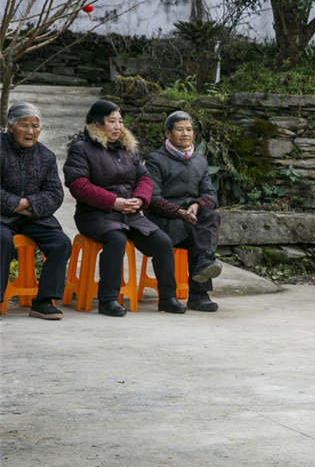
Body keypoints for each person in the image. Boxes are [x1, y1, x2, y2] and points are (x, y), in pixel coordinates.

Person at [63, 100, 185, 317]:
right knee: (116, 239)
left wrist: (140, 199)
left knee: (162, 242)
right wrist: (113, 202)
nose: (118, 126)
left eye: (120, 121)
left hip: (130, 213)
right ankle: (107, 300)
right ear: (97, 123)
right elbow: (79, 186)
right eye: (112, 121)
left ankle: (167, 298)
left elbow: (144, 178)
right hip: (95, 214)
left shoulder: (127, 148)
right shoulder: (81, 149)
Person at [145, 111, 222, 312]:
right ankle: (173, 296)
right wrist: (179, 212)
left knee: (210, 217)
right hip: (165, 218)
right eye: (180, 129)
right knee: (198, 233)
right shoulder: (155, 159)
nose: (185, 134)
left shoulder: (199, 161)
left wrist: (196, 205)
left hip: (191, 216)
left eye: (189, 129)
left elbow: (210, 194)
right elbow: (153, 199)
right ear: (168, 133)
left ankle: (199, 290)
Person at [1, 103, 72, 319]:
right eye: (25, 125)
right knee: (1, 239)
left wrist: (28, 204)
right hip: (2, 215)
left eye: (35, 126)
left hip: (34, 216)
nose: (31, 132)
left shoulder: (46, 156)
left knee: (61, 243)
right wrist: (16, 203)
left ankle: (43, 302)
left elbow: (55, 193)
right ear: (11, 126)